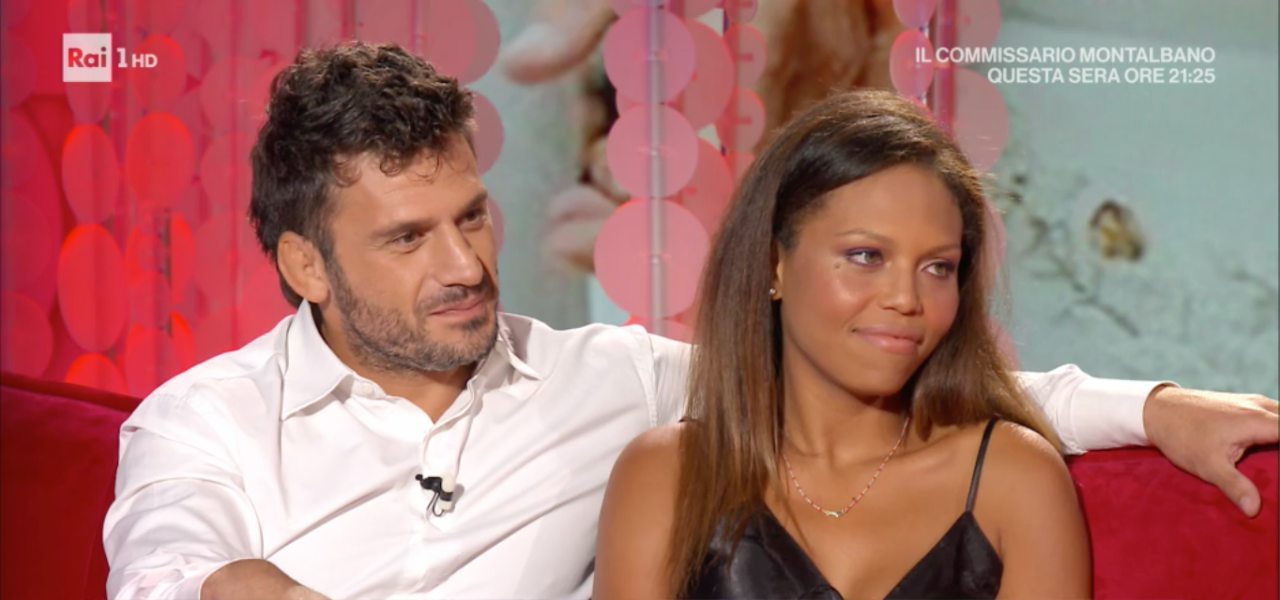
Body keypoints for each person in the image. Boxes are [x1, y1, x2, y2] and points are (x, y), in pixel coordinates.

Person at [103, 42, 1278, 600]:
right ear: (304, 264)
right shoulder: (204, 421)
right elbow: (163, 567)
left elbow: (856, 360)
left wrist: (1154, 406)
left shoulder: (607, 381)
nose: (465, 265)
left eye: (470, 217)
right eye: (408, 240)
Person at [593, 90, 1089, 598]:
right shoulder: (666, 476)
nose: (905, 299)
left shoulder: (1014, 479)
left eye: (938, 267)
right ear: (773, 265)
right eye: (866, 256)